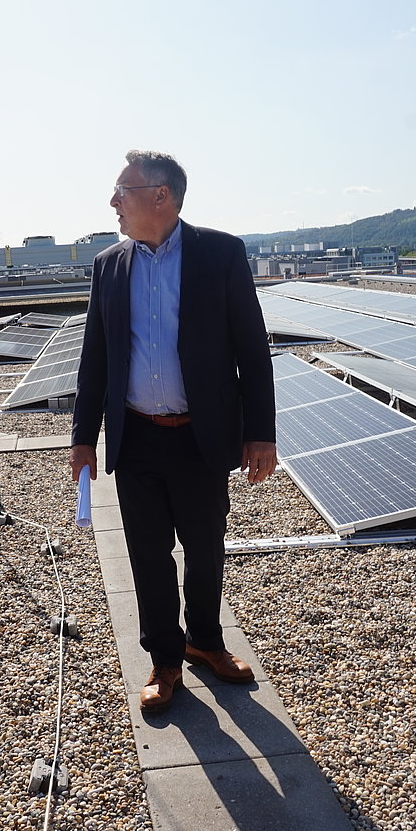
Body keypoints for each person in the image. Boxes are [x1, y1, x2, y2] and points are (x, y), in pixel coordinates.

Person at [69, 150, 277, 714]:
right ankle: (164, 660)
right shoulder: (110, 264)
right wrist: (83, 438)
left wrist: (261, 434)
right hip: (137, 437)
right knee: (148, 554)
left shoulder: (220, 254)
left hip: (200, 435)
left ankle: (205, 642)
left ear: (161, 195)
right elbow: (96, 358)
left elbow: (253, 352)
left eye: (121, 190)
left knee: (206, 548)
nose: (113, 201)